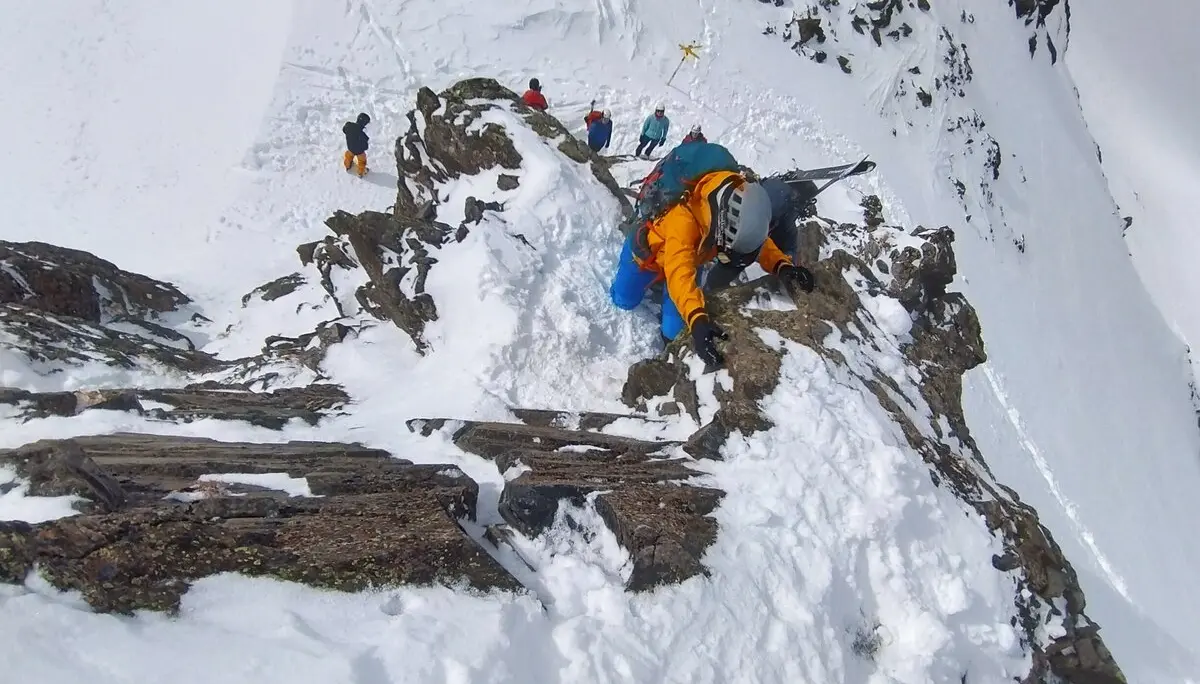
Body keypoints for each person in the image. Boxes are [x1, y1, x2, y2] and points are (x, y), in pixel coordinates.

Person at [609, 168, 814, 367]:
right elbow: (679, 272)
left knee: (674, 331)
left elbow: (756, 241)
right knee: (623, 300)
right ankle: (643, 287)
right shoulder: (685, 219)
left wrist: (782, 266)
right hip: (647, 256)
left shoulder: (735, 208)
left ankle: (668, 333)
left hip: (690, 260)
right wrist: (697, 318)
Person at [703, 174, 812, 291]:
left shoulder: (765, 198)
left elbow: (761, 244)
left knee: (729, 262)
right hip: (731, 241)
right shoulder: (689, 232)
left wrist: (782, 266)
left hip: (734, 236)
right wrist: (787, 265)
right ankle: (710, 287)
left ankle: (709, 286)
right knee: (731, 262)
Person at [342, 112, 371, 178]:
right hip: (359, 152)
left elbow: (344, 130)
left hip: (350, 148)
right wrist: (365, 147)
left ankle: (347, 166)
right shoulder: (362, 135)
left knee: (348, 156)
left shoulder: (348, 126)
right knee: (362, 161)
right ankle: (360, 172)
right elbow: (365, 146)